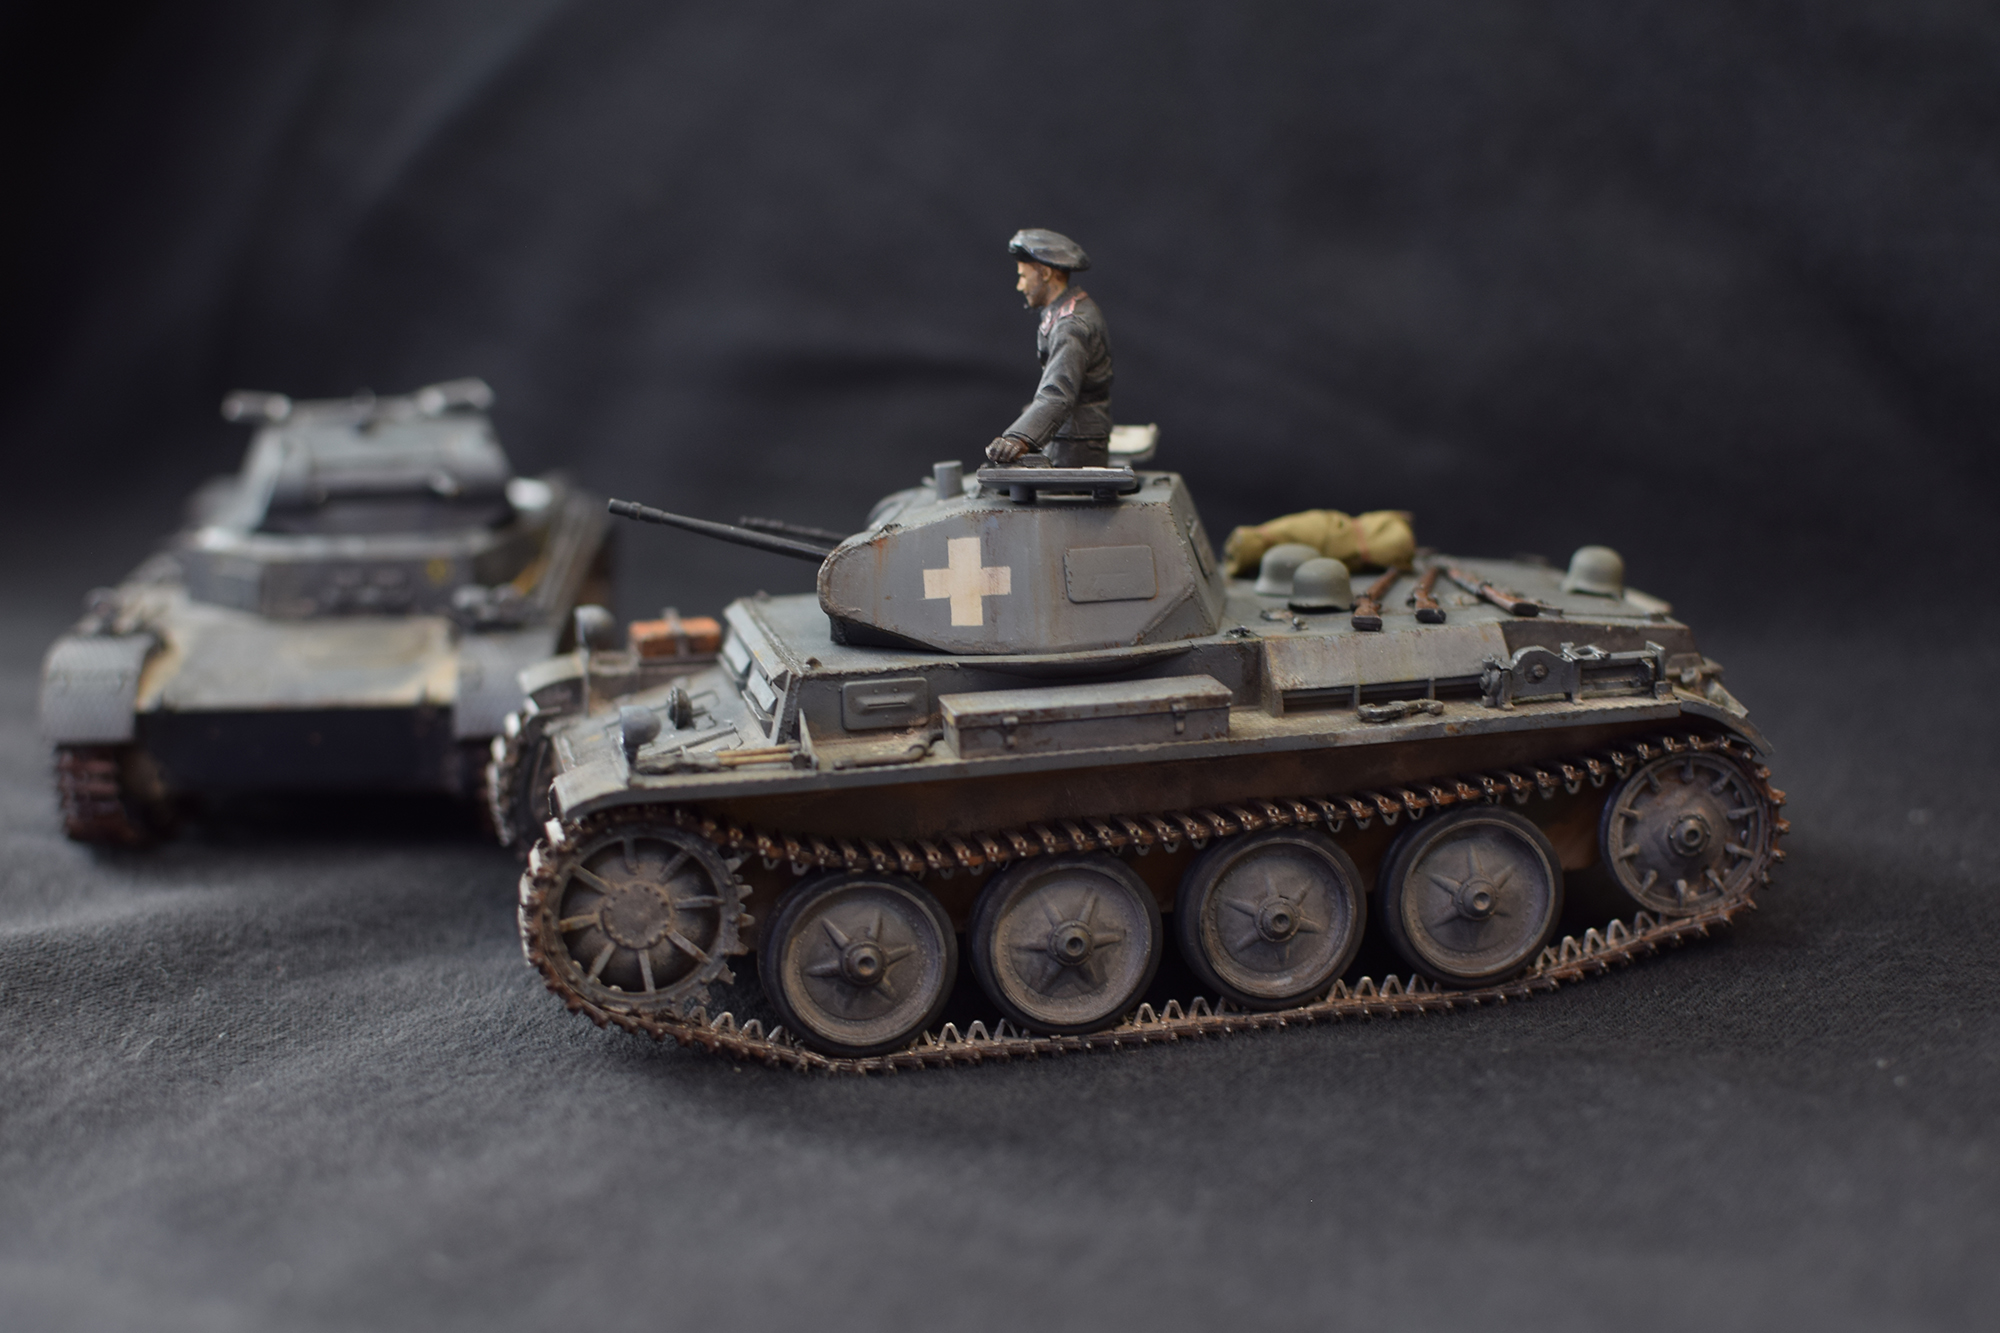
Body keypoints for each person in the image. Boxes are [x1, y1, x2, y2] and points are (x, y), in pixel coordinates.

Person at [985, 229, 1115, 468]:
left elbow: (1058, 391)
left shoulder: (1071, 324)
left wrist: (1018, 437)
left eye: (1023, 276)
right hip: (1069, 434)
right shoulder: (1065, 313)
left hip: (1076, 443)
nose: (1020, 286)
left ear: (1044, 273)